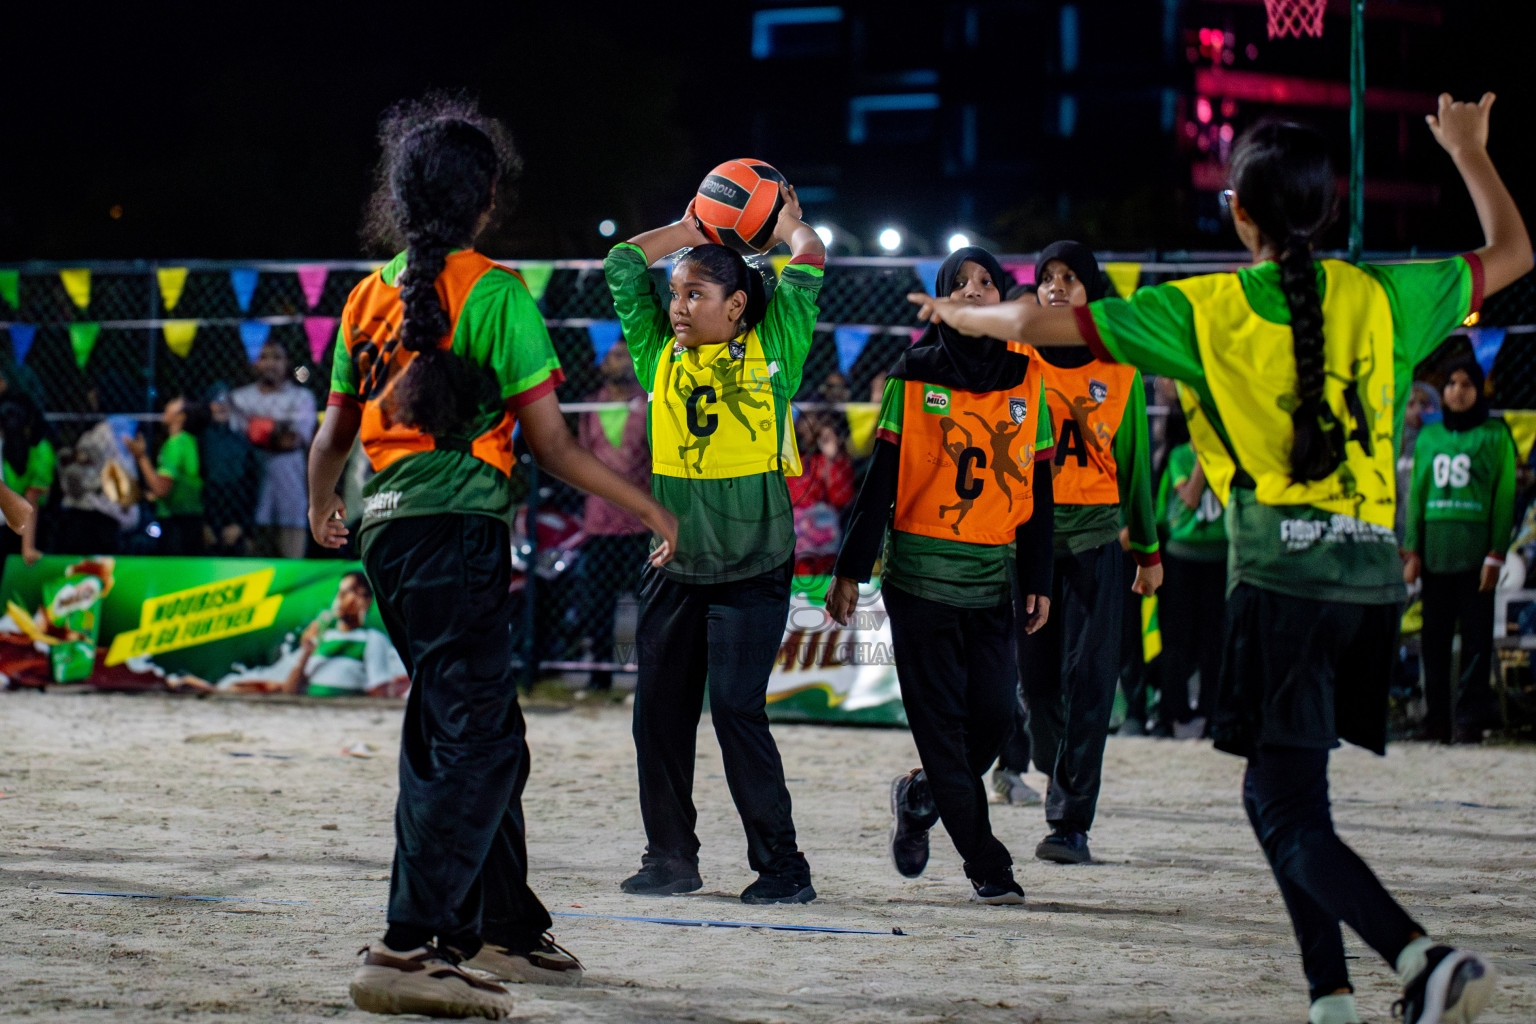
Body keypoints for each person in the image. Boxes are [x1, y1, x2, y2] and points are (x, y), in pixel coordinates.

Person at [909, 93, 1528, 1024]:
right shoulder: (1384, 292)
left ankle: (1423, 959)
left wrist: (968, 318)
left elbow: (1040, 328)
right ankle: (1330, 999)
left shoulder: (1207, 308)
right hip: (1367, 582)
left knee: (1284, 812)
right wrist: (1472, 153)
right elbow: (1515, 253)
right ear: (1324, 206)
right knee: (1287, 798)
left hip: (1283, 579)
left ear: (1238, 211)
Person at [306, 95, 678, 1019]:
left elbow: (331, 437)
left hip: (385, 531)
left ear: (400, 200)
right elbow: (553, 446)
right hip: (456, 528)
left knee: (464, 727)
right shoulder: (498, 293)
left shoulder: (363, 296)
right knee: (474, 739)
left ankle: (503, 928)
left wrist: (323, 507)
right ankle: (408, 944)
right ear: (485, 200)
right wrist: (652, 507)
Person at [604, 179, 824, 906]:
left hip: (753, 570)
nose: (676, 307)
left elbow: (811, 261)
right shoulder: (656, 353)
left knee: (736, 709)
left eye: (694, 294)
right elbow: (621, 264)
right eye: (674, 294)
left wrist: (787, 225)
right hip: (675, 568)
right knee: (656, 716)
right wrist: (693, 223)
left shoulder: (776, 348)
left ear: (736, 306)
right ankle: (670, 858)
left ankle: (784, 868)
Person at [826, 245, 1055, 905]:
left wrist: (1036, 575)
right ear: (943, 298)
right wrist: (851, 566)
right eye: (962, 283)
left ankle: (920, 793)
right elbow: (882, 483)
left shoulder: (1026, 375)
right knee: (942, 729)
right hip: (918, 579)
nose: (977, 290)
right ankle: (989, 865)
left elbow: (1039, 488)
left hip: (991, 578)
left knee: (993, 717)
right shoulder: (913, 371)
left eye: (988, 281)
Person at [1002, 240, 1161, 865]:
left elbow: (1136, 468)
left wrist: (1147, 551)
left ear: (1091, 289)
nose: (1057, 287)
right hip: (1027, 543)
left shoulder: (1120, 368)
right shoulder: (1014, 356)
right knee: (1038, 685)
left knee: (1091, 681)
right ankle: (1048, 762)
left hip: (1098, 542)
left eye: (1071, 277)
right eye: (1048, 277)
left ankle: (1069, 822)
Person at [1403, 358, 1516, 744]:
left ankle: (1468, 719)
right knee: (1433, 640)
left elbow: (1504, 497)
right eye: (1450, 383)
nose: (1457, 390)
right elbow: (1417, 495)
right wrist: (1413, 550)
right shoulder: (1430, 438)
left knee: (1476, 640)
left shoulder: (1495, 434)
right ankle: (1435, 720)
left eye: (1467, 383)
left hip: (1475, 557)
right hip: (1435, 556)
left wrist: (1496, 553)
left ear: (1479, 389)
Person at [567, 343, 653, 692]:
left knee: (649, 602)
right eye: (615, 355)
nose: (623, 362)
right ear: (602, 363)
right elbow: (583, 453)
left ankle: (650, 674)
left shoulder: (647, 404)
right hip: (600, 521)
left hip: (639, 521)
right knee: (598, 606)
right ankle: (599, 675)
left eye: (628, 356)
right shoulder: (591, 406)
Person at [1153, 395, 1229, 736]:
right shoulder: (1181, 455)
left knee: (1216, 642)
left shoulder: (1229, 458)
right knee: (1176, 640)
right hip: (1182, 557)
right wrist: (1205, 455)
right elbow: (1190, 496)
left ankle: (1213, 712)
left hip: (1219, 557)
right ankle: (1173, 712)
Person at [209, 572, 409, 696]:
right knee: (262, 685)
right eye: (339, 592)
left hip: (339, 711)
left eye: (347, 592)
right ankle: (207, 688)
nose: (339, 598)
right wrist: (306, 651)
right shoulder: (324, 636)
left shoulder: (372, 640)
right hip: (309, 705)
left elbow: (377, 691)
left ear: (365, 600)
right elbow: (291, 690)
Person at [230, 340, 316, 558]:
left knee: (292, 564)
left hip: (291, 496)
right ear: (254, 363)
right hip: (251, 499)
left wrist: (256, 428)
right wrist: (277, 428)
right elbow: (237, 440)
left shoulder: (302, 397)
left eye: (277, 357)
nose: (271, 364)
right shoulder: (239, 397)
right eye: (264, 357)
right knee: (255, 564)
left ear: (287, 363)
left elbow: (292, 441)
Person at [125, 397, 209, 556]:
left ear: (181, 416)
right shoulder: (189, 441)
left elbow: (161, 489)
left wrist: (141, 457)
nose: (167, 405)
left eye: (174, 403)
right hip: (191, 519)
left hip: (176, 524)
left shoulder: (174, 445)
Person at [787, 412, 854, 575]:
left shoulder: (830, 462)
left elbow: (841, 498)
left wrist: (832, 458)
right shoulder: (793, 462)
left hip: (824, 535)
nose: (809, 433)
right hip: (797, 536)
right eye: (804, 428)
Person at [0, 394, 55, 567]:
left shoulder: (41, 451)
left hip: (37, 524)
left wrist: (27, 548)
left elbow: (33, 497)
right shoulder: (5, 446)